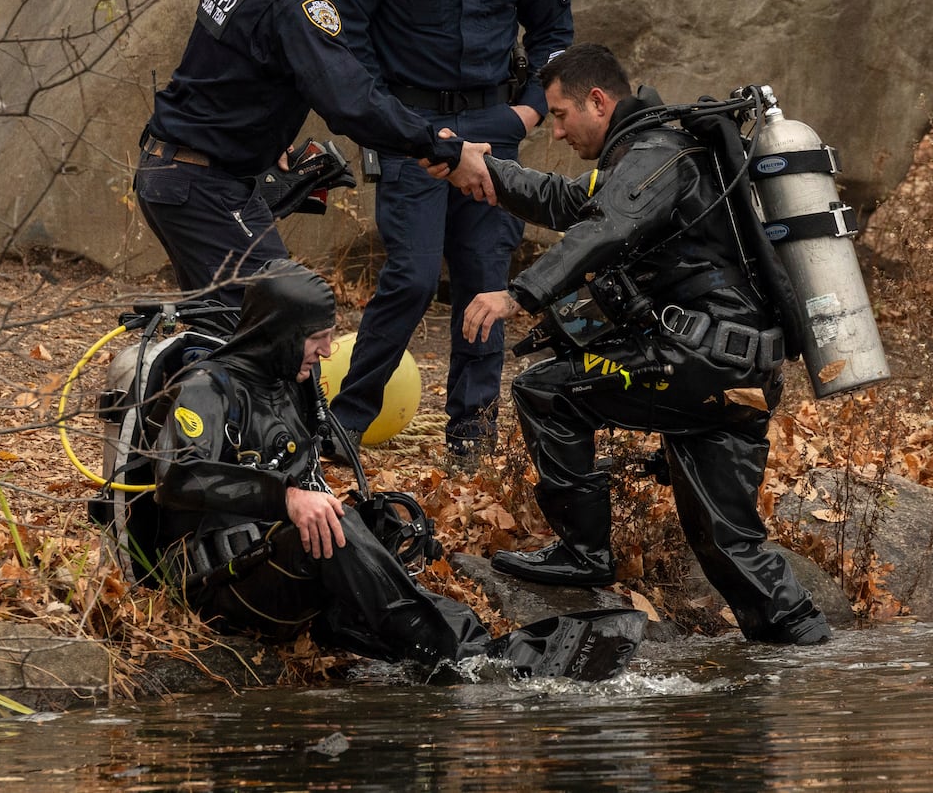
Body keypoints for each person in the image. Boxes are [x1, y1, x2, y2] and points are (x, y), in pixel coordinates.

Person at [459, 44, 833, 646]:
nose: (554, 132)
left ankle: (582, 553)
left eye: (558, 115)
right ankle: (810, 650)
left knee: (546, 392)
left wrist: (519, 295)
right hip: (738, 368)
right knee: (726, 542)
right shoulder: (651, 154)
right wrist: (483, 170)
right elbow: (573, 203)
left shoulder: (657, 154)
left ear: (598, 101)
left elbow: (604, 229)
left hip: (703, 362)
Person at [149, 257, 645, 678]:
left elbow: (310, 474)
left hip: (280, 567)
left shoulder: (290, 382)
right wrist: (286, 497)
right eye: (316, 339)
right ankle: (470, 659)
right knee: (335, 525)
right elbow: (179, 477)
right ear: (278, 334)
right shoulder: (207, 387)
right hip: (222, 589)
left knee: (376, 520)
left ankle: (486, 654)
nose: (327, 351)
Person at [330, 0, 574, 462]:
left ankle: (472, 432)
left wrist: (528, 110)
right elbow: (350, 27)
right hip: (416, 133)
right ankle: (345, 424)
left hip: (494, 132)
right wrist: (384, 116)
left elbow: (555, 32)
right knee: (408, 278)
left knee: (485, 277)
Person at [135, 0, 495, 310]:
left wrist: (268, 142)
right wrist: (444, 149)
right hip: (202, 186)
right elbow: (351, 100)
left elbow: (227, 73)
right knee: (286, 315)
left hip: (177, 173)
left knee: (224, 328)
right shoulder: (296, 3)